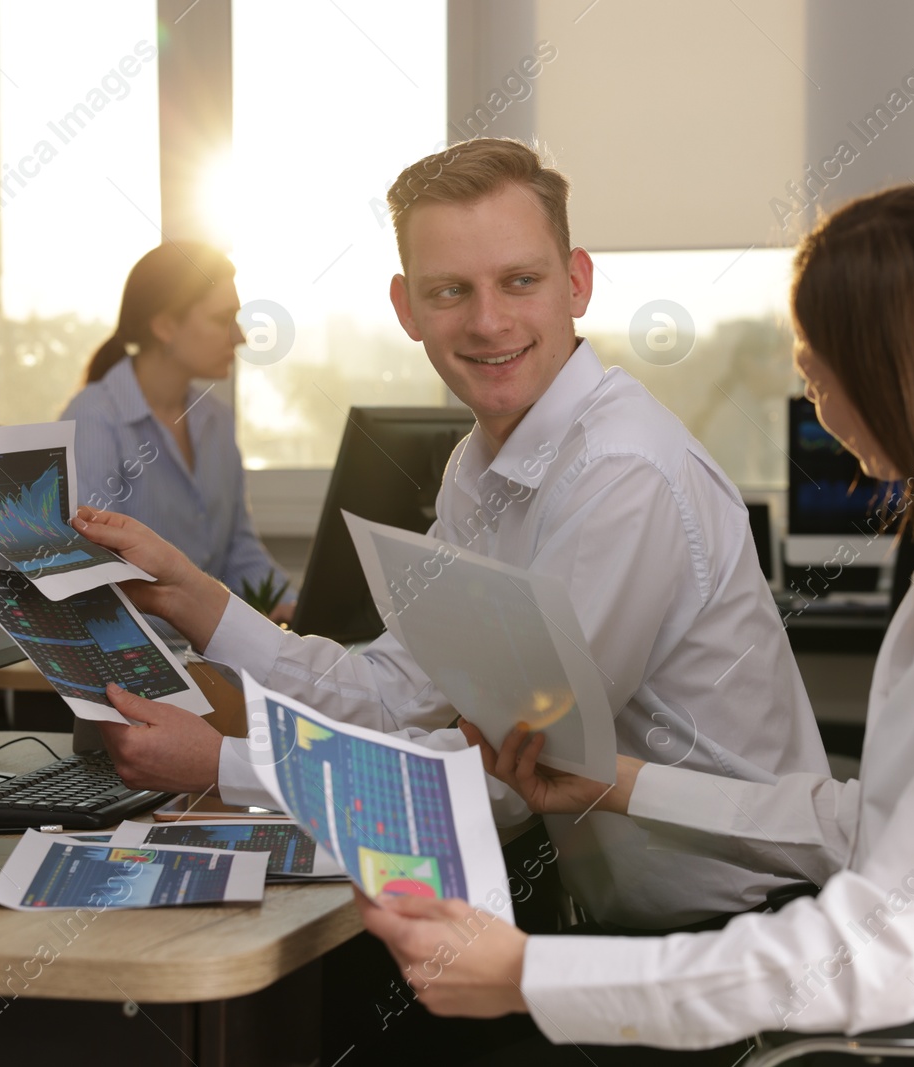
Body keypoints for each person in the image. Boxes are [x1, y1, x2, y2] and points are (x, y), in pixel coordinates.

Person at [355, 180, 914, 1054]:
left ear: (913, 368)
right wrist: (622, 783)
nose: (805, 380)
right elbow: (872, 834)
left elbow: (882, 945)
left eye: (819, 353)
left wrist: (528, 976)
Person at [70, 137, 829, 932]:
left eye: (520, 281)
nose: (487, 320)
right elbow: (396, 691)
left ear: (577, 283)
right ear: (406, 308)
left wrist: (225, 764)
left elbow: (505, 784)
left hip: (745, 953)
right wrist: (204, 603)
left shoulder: (623, 474)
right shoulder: (478, 465)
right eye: (450, 291)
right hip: (616, 935)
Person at [60, 241, 294, 625]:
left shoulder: (215, 419)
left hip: (208, 655)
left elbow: (239, 550)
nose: (240, 337)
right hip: (140, 661)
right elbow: (97, 574)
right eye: (222, 319)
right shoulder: (94, 418)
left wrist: (300, 609)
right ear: (166, 325)